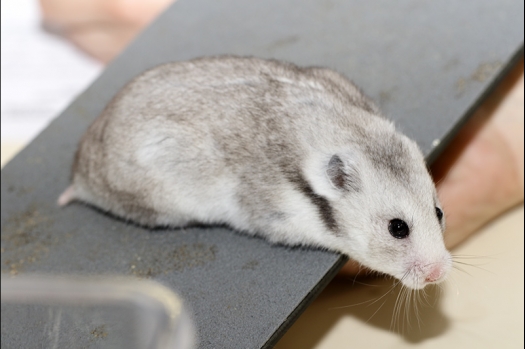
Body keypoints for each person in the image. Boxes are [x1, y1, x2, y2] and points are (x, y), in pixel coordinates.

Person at [39, 0, 524, 276]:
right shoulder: (289, 180)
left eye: (432, 214)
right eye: (399, 229)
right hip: (125, 164)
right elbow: (266, 218)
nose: (437, 266)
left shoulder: (363, 124)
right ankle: (93, 191)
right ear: (334, 179)